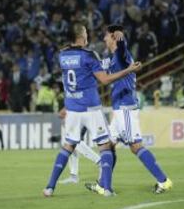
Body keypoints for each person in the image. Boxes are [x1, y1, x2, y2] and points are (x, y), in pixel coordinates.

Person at [43, 23, 141, 197]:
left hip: (72, 109)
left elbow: (72, 81)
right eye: (86, 33)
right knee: (105, 147)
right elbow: (104, 79)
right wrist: (128, 70)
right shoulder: (89, 55)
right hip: (91, 108)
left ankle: (50, 187)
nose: (88, 36)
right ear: (81, 36)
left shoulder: (63, 55)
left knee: (68, 146)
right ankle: (107, 189)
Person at [87, 25, 172, 194]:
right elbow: (100, 66)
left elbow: (123, 51)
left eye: (106, 36)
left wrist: (122, 39)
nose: (104, 39)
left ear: (113, 37)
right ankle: (104, 185)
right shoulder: (111, 58)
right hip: (119, 108)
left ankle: (163, 181)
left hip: (125, 108)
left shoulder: (121, 54)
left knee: (135, 146)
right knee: (107, 145)